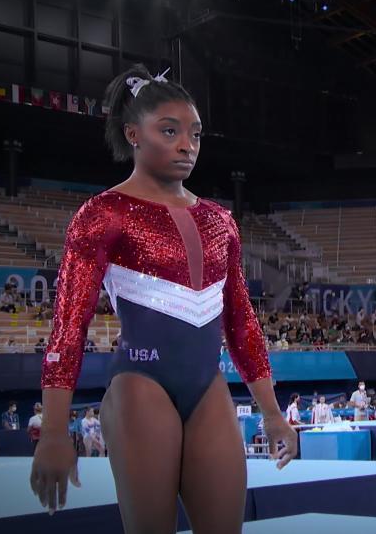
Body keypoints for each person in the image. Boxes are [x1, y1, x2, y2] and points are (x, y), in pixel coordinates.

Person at [30, 65, 299, 528]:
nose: (186, 145)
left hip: (207, 387)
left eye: (194, 134)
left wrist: (272, 412)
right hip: (140, 385)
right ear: (133, 134)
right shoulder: (102, 215)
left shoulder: (220, 221)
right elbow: (68, 326)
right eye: (169, 131)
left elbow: (241, 322)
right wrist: (55, 431)